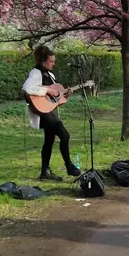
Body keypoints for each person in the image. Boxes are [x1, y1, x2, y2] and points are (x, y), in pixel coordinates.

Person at [22, 46, 82, 181]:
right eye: (51, 61)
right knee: (64, 135)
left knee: (49, 140)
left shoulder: (51, 75)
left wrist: (66, 95)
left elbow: (56, 99)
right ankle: (69, 166)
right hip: (43, 112)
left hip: (49, 110)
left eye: (54, 61)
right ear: (43, 61)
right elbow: (27, 88)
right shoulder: (36, 72)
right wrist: (47, 90)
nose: (53, 64)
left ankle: (45, 172)